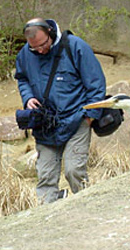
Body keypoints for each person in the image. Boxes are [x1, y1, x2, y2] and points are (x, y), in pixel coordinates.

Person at [15, 18, 106, 204]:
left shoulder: (75, 46)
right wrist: (28, 97)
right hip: (45, 124)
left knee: (74, 171)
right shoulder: (26, 53)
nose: (40, 50)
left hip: (77, 118)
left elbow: (96, 83)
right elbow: (22, 78)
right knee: (45, 177)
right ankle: (48, 219)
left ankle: (87, 209)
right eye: (35, 48)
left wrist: (89, 117)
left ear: (50, 32)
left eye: (43, 44)